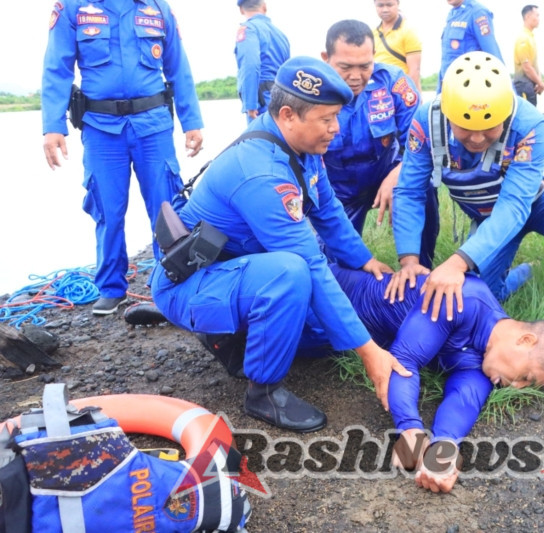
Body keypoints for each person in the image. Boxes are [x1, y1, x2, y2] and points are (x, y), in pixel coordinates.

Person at [150, 57, 411, 433]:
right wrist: (371, 355)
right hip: (192, 281)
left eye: (337, 117)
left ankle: (228, 332)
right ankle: (263, 391)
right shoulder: (261, 172)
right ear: (288, 114)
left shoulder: (301, 148)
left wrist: (365, 260)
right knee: (293, 273)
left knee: (323, 335)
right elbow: (310, 264)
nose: (335, 129)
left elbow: (328, 210)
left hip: (230, 269)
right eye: (327, 120)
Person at [303, 264, 544, 494]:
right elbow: (404, 359)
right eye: (526, 377)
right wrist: (410, 429)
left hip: (334, 340)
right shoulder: (463, 298)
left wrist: (443, 450)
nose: (516, 387)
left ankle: (525, 271)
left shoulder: (486, 362)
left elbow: (464, 400)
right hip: (326, 297)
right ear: (526, 340)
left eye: (527, 386)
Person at [391, 51, 544, 342]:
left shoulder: (529, 125)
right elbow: (409, 192)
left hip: (538, 201)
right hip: (488, 214)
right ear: (448, 114)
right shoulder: (427, 123)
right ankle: (521, 274)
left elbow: (514, 206)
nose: (476, 138)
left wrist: (456, 262)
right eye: (465, 128)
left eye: (488, 128)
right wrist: (409, 260)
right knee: (476, 294)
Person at [42, 0, 204, 316]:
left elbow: (178, 67)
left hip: (153, 125)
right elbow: (57, 67)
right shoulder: (73, 8)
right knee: (107, 210)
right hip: (101, 129)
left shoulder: (158, 9)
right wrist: (52, 126)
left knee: (166, 207)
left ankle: (171, 283)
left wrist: (192, 121)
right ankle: (112, 289)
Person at [321, 20, 438, 268]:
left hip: (386, 173)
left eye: (364, 66)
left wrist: (398, 173)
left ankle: (420, 269)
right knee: (332, 269)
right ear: (326, 59)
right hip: (337, 192)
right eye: (345, 67)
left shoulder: (393, 82)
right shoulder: (311, 94)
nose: (355, 76)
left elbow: (422, 144)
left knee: (423, 185)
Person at [234, 0, 290, 123]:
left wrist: (250, 104)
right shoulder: (281, 35)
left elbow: (250, 64)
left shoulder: (249, 29)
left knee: (259, 140)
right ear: (264, 7)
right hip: (282, 101)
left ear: (241, 10)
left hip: (261, 102)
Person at [438, 0, 503, 91]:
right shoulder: (453, 14)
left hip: (469, 90)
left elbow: (493, 55)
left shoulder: (477, 12)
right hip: (449, 89)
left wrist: (508, 91)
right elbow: (447, 60)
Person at [373, 0, 423, 94]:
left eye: (389, 5)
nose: (385, 9)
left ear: (397, 4)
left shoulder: (408, 31)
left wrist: (406, 95)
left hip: (402, 92)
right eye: (380, 5)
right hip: (380, 93)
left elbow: (414, 70)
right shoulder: (373, 33)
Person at [512, 5, 544, 107]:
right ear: (527, 16)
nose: (539, 19)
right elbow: (526, 67)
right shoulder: (523, 38)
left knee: (532, 116)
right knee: (525, 118)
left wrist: (539, 81)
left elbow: (534, 64)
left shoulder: (530, 37)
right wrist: (540, 83)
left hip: (530, 85)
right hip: (523, 85)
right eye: (537, 15)